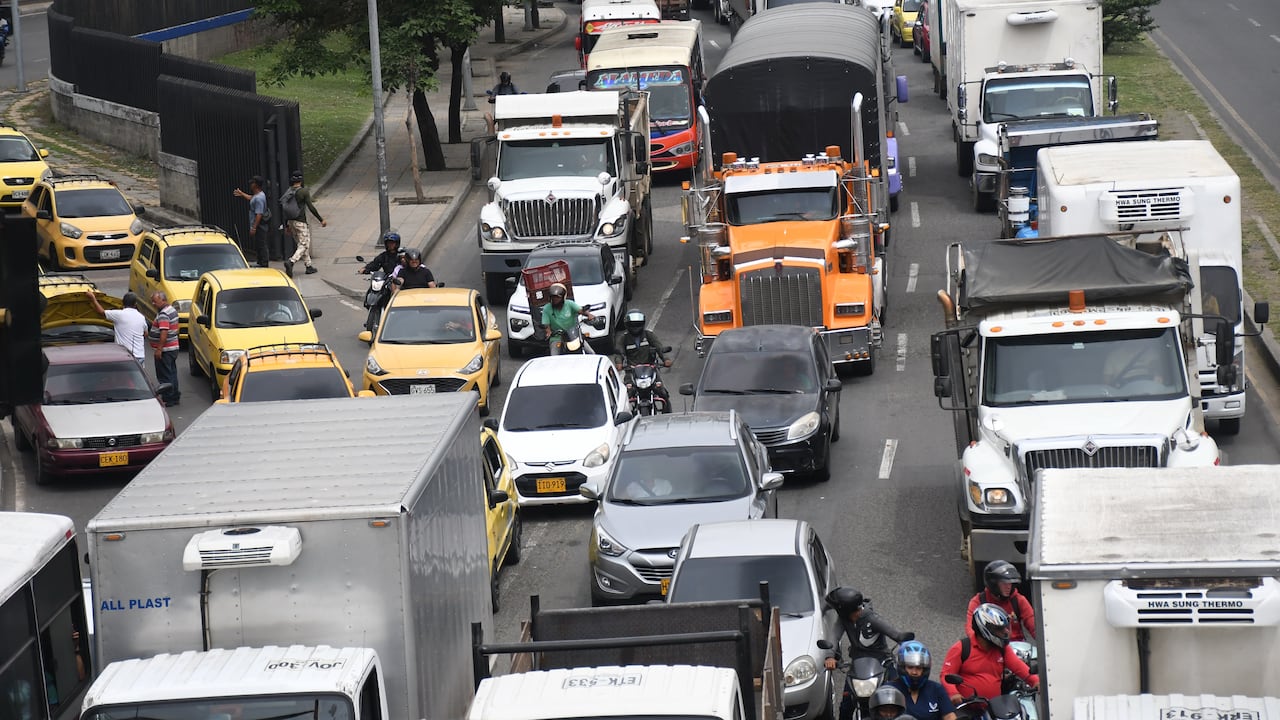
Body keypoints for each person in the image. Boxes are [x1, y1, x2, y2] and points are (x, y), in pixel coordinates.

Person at [823, 587, 915, 720]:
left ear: (844, 610)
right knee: (846, 707)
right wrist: (830, 656)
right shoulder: (844, 619)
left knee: (899, 698)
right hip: (858, 667)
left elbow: (895, 634)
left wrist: (905, 644)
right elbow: (834, 636)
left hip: (882, 664)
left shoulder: (872, 619)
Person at [941, 604, 1039, 704]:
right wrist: (954, 694)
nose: (1005, 632)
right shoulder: (961, 648)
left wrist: (1035, 681)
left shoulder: (1002, 649)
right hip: (966, 707)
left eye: (1005, 628)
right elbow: (946, 675)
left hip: (994, 708)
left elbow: (1018, 666)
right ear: (986, 628)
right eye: (999, 629)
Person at [615, 309, 672, 412]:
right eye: (633, 325)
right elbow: (619, 353)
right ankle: (625, 417)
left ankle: (668, 414)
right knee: (625, 395)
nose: (635, 327)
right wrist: (619, 363)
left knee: (662, 392)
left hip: (650, 369)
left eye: (638, 324)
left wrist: (666, 359)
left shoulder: (649, 335)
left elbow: (659, 347)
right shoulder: (623, 339)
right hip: (631, 371)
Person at [966, 560, 1036, 642]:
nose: (1009, 587)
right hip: (990, 645)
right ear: (993, 584)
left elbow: (1034, 627)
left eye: (1010, 583)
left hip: (1016, 645)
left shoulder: (1018, 600)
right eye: (1004, 583)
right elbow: (970, 628)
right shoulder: (978, 601)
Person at [889, 641, 957, 720]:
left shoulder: (936, 689)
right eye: (910, 667)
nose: (914, 672)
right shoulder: (890, 690)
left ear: (924, 670)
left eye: (918, 668)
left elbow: (949, 716)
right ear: (902, 668)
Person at [282, 170, 327, 278]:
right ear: (301, 180)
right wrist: (321, 219)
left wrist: (286, 225)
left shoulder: (289, 191)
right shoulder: (303, 192)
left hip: (291, 222)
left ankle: (309, 266)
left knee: (301, 244)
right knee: (304, 244)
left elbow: (285, 209)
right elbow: (311, 207)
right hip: (300, 222)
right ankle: (291, 262)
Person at [85, 290, 148, 366]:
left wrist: (93, 298)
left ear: (123, 303)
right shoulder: (141, 317)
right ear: (135, 304)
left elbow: (101, 312)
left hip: (126, 356)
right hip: (140, 355)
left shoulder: (119, 314)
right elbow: (145, 333)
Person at [540, 282, 597, 355]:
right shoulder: (547, 308)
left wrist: (589, 315)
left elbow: (580, 310)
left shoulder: (570, 304)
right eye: (553, 297)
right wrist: (548, 332)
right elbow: (546, 324)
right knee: (554, 356)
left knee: (591, 353)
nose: (555, 299)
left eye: (557, 297)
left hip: (573, 334)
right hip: (557, 337)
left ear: (563, 297)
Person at [148, 291, 180, 406]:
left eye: (155, 301)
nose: (153, 304)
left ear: (163, 300)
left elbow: (164, 333)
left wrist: (159, 349)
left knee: (165, 375)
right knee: (172, 373)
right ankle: (175, 396)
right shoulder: (171, 310)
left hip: (166, 350)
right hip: (173, 347)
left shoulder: (163, 314)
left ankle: (168, 398)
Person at [233, 176, 270, 267]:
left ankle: (264, 263)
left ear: (256, 185)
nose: (250, 185)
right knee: (258, 243)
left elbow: (259, 214)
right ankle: (260, 262)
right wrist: (242, 194)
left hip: (260, 225)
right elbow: (252, 198)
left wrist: (254, 227)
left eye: (252, 183)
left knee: (261, 244)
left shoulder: (259, 198)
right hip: (258, 225)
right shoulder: (258, 195)